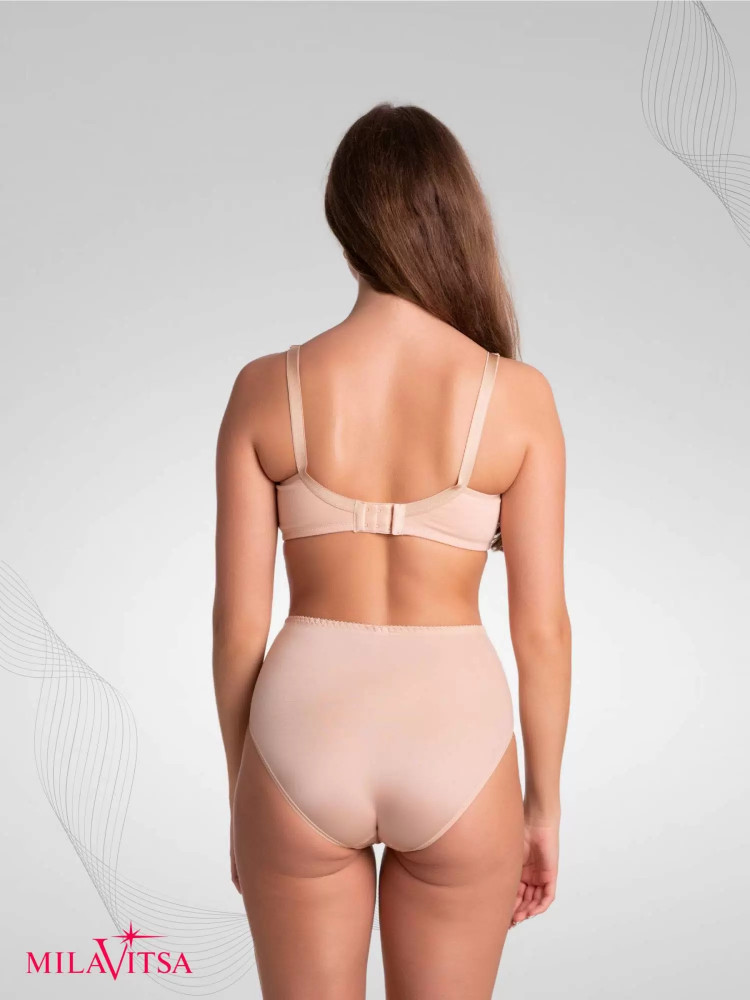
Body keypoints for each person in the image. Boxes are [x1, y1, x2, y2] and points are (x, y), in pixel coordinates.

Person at [212, 102, 571, 1000]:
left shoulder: (265, 390)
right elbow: (543, 633)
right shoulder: (518, 399)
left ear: (344, 226)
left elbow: (236, 628)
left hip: (300, 735)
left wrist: (245, 787)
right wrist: (544, 806)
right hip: (457, 734)